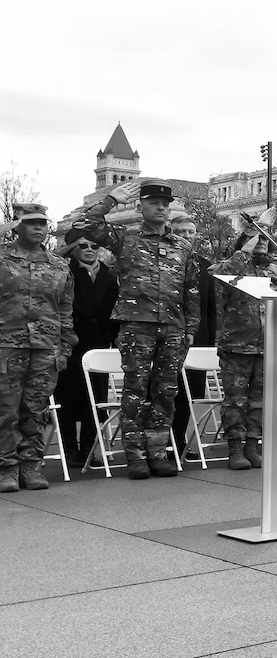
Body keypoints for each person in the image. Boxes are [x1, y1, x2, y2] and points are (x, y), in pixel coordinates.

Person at [68, 180, 200, 479]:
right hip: (136, 325)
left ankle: (157, 451)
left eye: (165, 204)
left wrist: (191, 327)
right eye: (154, 202)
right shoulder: (125, 237)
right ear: (141, 206)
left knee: (166, 391)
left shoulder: (181, 245)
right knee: (135, 391)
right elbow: (83, 224)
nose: (161, 207)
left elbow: (190, 289)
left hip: (173, 327)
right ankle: (136, 455)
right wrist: (111, 199)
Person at [0, 204, 75, 492]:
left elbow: (66, 308)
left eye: (43, 223)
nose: (39, 228)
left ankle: (31, 466)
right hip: (7, 344)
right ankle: (6, 468)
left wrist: (65, 347)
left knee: (35, 408)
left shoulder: (58, 265)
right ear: (16, 226)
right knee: (6, 409)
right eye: (31, 223)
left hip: (46, 347)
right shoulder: (3, 258)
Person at [212, 231, 277, 469]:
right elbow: (223, 276)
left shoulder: (276, 272)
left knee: (260, 400)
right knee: (235, 400)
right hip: (237, 345)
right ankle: (235, 448)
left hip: (268, 346)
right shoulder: (229, 267)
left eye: (266, 238)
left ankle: (252, 446)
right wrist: (244, 248)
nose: (262, 242)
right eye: (256, 238)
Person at [52, 228, 119, 467]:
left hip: (98, 343)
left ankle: (89, 449)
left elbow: (114, 312)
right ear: (71, 249)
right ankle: (69, 447)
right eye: (83, 246)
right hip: (71, 342)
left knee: (96, 398)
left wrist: (113, 341)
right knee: (67, 397)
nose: (90, 250)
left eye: (94, 246)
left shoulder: (109, 276)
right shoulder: (62, 271)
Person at [166, 210, 215, 458]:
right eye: (180, 232)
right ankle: (163, 444)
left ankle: (179, 444)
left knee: (188, 397)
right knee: (166, 394)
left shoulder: (206, 267)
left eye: (190, 232)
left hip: (199, 341)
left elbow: (211, 308)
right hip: (168, 338)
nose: (186, 236)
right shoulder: (163, 261)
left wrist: (212, 341)